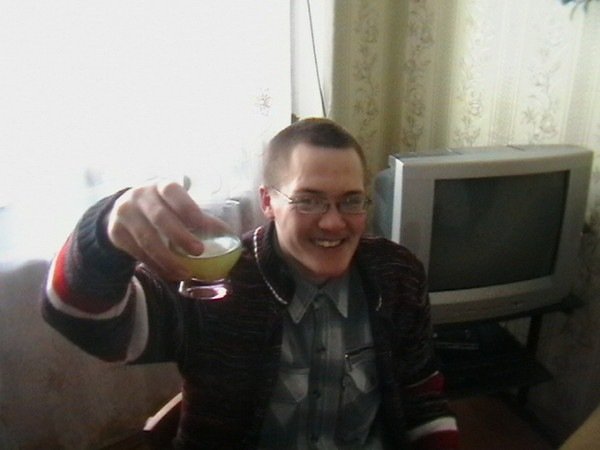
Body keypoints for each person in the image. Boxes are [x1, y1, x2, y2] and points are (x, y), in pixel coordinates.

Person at [41, 118, 459, 449]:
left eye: (350, 200)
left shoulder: (397, 274)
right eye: (308, 200)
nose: (334, 222)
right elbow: (86, 322)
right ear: (267, 202)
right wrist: (105, 234)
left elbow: (421, 394)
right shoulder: (216, 280)